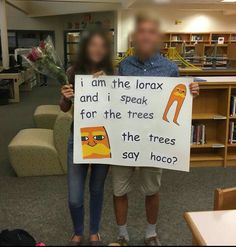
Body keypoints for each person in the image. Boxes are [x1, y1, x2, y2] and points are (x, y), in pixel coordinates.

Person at [112, 13, 200, 246]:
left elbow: (176, 102)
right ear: (134, 37)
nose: (146, 36)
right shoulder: (124, 66)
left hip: (154, 140)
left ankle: (151, 233)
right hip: (126, 138)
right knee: (119, 189)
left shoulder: (170, 68)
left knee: (152, 189)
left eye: (151, 32)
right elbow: (117, 101)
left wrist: (190, 94)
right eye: (141, 31)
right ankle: (122, 234)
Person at [60, 29, 114, 246]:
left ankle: (93, 230)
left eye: (102, 45)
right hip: (78, 138)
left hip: (104, 138)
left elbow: (122, 106)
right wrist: (65, 97)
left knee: (97, 189)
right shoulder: (73, 72)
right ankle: (78, 229)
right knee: (75, 196)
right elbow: (64, 108)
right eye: (93, 45)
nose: (97, 49)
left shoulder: (114, 74)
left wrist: (109, 83)